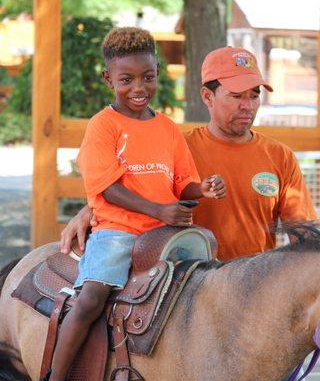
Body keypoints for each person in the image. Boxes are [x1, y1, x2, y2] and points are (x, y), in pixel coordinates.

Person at [48, 27, 226, 381]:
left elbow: (182, 183)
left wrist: (201, 189)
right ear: (108, 78)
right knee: (91, 298)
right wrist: (159, 210)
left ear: (158, 71)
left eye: (147, 77)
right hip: (117, 232)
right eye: (126, 79)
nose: (138, 88)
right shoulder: (103, 126)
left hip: (166, 235)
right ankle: (55, 374)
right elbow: (108, 188)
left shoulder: (168, 129)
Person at [60, 46, 317, 262]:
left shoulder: (280, 156)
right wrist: (88, 211)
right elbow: (132, 187)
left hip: (255, 289)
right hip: (189, 286)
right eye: (236, 95)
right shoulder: (175, 148)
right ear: (207, 96)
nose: (247, 106)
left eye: (253, 96)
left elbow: (305, 238)